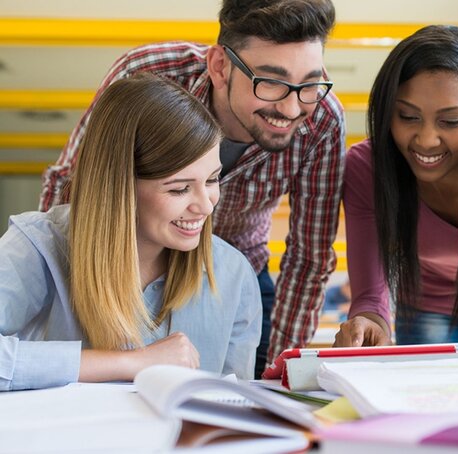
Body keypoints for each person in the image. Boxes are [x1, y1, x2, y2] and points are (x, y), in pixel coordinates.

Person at [39, 0, 345, 377]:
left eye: (309, 84)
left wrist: (281, 368)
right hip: (122, 265)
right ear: (219, 66)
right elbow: (74, 184)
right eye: (271, 83)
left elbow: (309, 255)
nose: (293, 107)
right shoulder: (149, 73)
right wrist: (53, 272)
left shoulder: (324, 119)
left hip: (238, 272)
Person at [0, 74, 261, 391]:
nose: (205, 206)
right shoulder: (38, 246)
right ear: (119, 188)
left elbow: (235, 408)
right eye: (179, 189)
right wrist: (132, 362)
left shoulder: (234, 273)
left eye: (211, 180)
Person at [333, 25, 458, 353]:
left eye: (450, 121)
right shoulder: (367, 167)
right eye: (407, 116)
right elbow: (369, 294)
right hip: (424, 306)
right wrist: (370, 321)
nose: (426, 140)